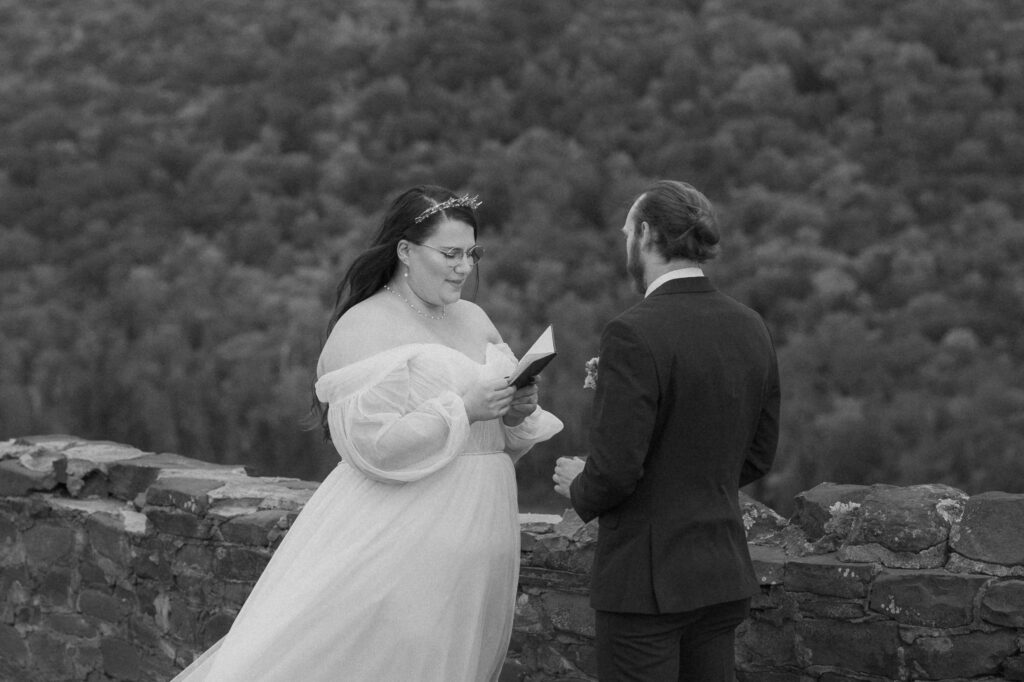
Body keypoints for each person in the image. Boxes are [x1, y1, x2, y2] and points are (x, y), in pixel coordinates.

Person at [171, 185, 563, 681]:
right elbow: (369, 447)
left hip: (479, 527)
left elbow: (493, 447)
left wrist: (513, 411)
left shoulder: (474, 317)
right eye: (449, 254)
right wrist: (465, 407)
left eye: (471, 253)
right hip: (402, 532)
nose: (464, 267)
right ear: (404, 251)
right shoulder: (366, 325)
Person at [552, 180, 780, 682]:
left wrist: (578, 485)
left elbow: (614, 473)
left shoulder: (633, 331)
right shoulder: (750, 326)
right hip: (721, 574)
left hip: (647, 586)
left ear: (648, 234)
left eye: (628, 229)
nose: (624, 239)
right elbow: (759, 456)